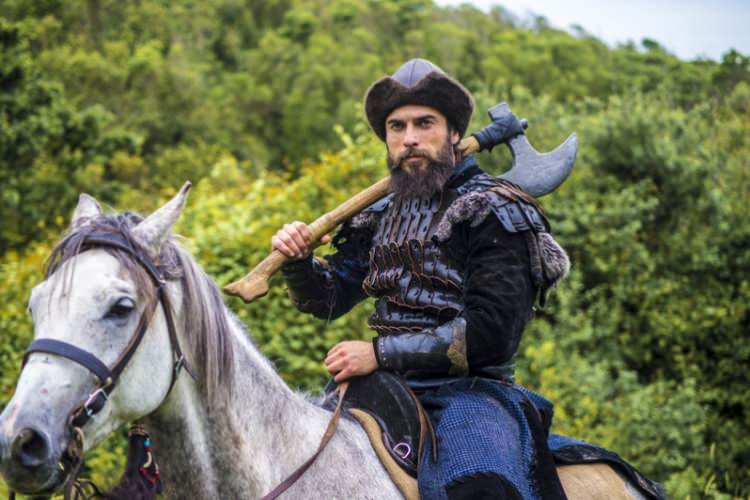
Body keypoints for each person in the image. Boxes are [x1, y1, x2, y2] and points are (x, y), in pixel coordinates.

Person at [273, 59, 571, 499]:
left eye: (424, 123)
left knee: (480, 487)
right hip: (379, 390)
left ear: (454, 133)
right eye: (396, 127)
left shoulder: (494, 208)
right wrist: (299, 263)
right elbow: (329, 299)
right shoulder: (378, 214)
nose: (409, 138)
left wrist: (378, 353)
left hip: (470, 393)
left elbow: (492, 334)